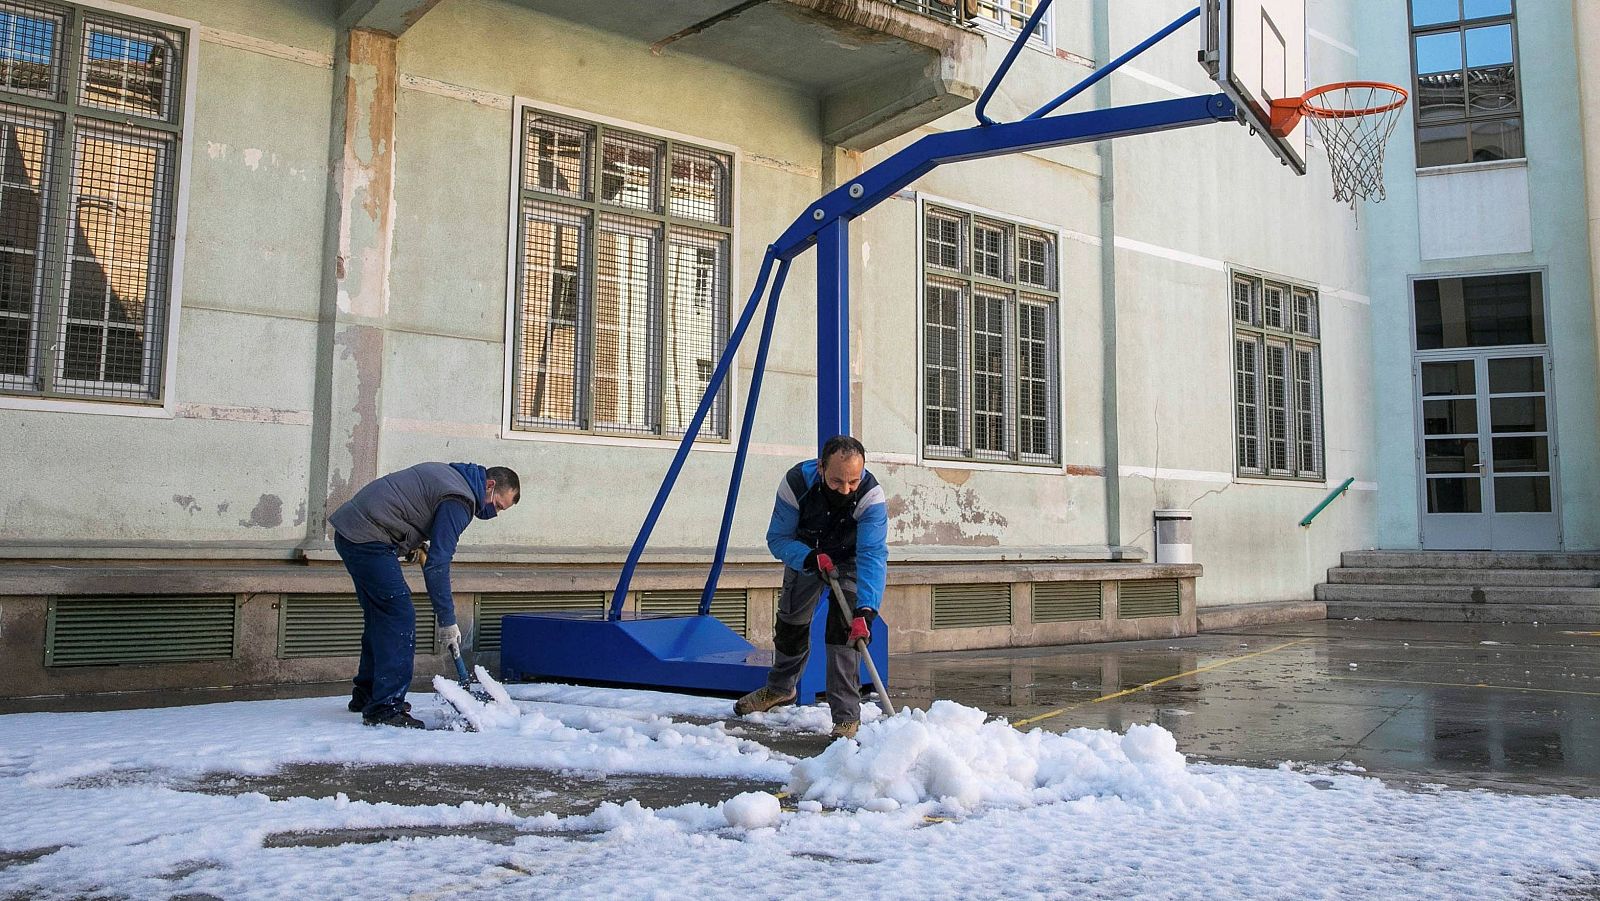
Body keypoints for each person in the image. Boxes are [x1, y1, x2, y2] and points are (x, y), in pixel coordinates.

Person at [328, 462, 520, 727]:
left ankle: (368, 693)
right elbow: (438, 564)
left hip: (353, 530)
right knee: (398, 615)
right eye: (498, 505)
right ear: (490, 486)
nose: (494, 513)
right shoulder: (460, 500)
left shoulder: (452, 477)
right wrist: (447, 620)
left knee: (381, 616)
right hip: (367, 538)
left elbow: (407, 506)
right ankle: (385, 708)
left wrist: (410, 542)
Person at [734, 435, 888, 739]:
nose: (845, 490)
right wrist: (808, 557)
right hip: (806, 555)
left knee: (844, 632)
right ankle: (780, 689)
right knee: (791, 624)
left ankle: (846, 718)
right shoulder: (795, 484)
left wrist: (866, 610)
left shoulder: (871, 497)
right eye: (836, 482)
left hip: (850, 561)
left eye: (853, 482)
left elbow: (872, 555)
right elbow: (777, 539)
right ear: (820, 468)